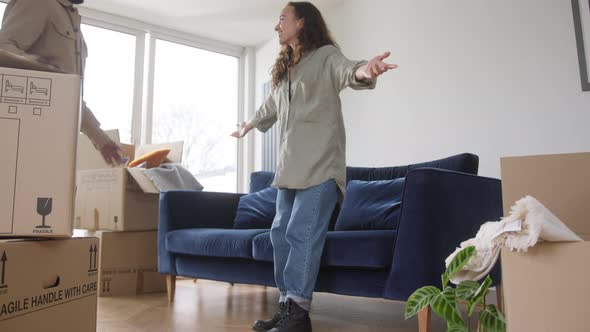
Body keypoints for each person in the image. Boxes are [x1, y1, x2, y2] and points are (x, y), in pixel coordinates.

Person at [231, 2, 397, 331]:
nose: (277, 26)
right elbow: (270, 107)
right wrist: (249, 124)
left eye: (282, 19)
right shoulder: (286, 69)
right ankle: (286, 306)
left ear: (302, 22)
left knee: (300, 234)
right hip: (289, 171)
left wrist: (368, 69)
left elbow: (350, 70)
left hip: (322, 168)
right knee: (279, 234)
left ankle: (299, 312)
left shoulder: (325, 56)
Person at [0, 0, 123, 165]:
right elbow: (3, 47)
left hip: (57, 137)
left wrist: (100, 138)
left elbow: (69, 94)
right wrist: (39, 66)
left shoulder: (70, 19)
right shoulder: (38, 3)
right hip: (27, 132)